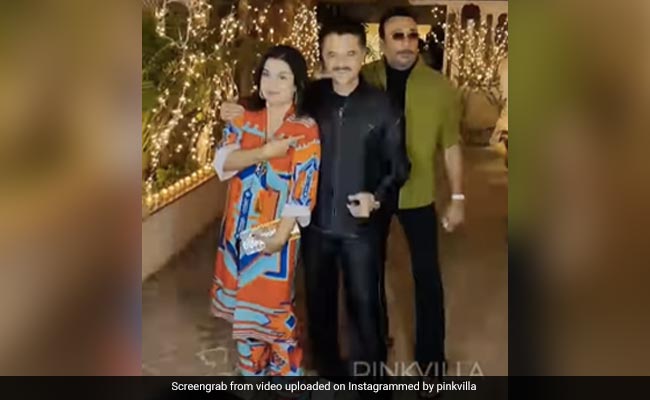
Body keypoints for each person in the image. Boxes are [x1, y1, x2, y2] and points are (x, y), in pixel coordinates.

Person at [220, 20, 410, 379]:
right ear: (322, 57)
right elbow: (271, 99)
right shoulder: (312, 97)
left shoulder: (383, 106)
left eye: (350, 54)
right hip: (315, 226)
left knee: (365, 307)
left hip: (360, 229)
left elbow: (400, 167)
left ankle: (371, 378)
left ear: (363, 54)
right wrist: (237, 108)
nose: (341, 62)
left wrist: (376, 197)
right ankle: (328, 372)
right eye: (332, 54)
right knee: (319, 306)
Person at [361, 7, 465, 382]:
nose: (406, 43)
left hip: (418, 192)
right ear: (382, 43)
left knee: (427, 277)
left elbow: (451, 144)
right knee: (367, 273)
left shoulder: (440, 87)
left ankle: (431, 363)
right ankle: (374, 349)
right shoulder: (363, 78)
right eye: (397, 36)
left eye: (411, 35)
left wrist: (458, 198)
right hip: (372, 191)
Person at [210, 45, 321, 377]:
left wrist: (281, 235)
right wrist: (265, 152)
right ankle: (252, 371)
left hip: (275, 231)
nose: (272, 83)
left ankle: (286, 375)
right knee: (242, 306)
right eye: (267, 74)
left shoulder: (304, 128)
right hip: (236, 229)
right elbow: (223, 162)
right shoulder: (244, 117)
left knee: (274, 307)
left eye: (282, 77)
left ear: (296, 84)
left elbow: (303, 187)